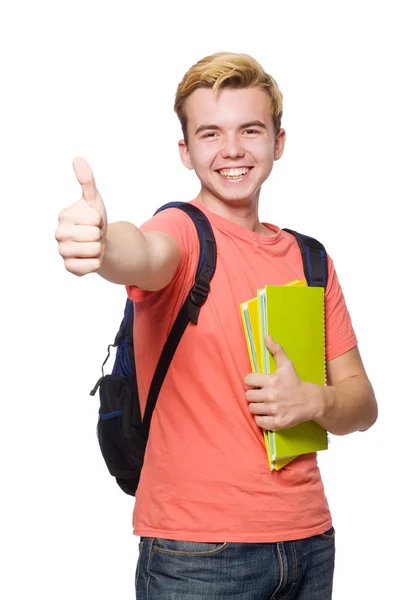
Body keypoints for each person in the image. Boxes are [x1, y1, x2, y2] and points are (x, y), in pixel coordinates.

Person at [55, 52, 378, 599]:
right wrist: (103, 244)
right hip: (198, 556)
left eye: (250, 130)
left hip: (310, 540)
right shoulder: (181, 232)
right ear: (186, 151)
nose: (232, 150)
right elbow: (142, 252)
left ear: (278, 142)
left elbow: (362, 404)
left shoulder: (311, 260)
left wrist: (313, 402)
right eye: (210, 134)